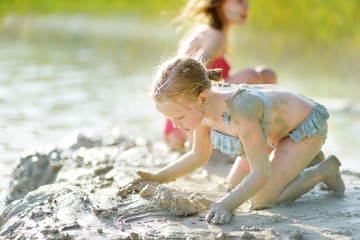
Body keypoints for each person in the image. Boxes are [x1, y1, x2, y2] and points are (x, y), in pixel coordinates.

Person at [137, 56, 345, 224]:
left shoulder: (239, 112)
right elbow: (198, 155)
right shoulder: (201, 109)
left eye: (179, 116)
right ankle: (306, 157)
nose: (175, 124)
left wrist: (225, 205)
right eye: (170, 118)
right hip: (274, 131)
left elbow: (260, 173)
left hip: (304, 126)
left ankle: (324, 169)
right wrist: (159, 177)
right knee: (234, 184)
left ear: (202, 98)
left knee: (262, 198)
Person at [165, 0, 277, 151]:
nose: (246, 7)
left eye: (247, 1)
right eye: (238, 1)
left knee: (257, 76)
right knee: (261, 75)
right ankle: (264, 143)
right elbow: (190, 74)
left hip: (175, 127)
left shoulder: (201, 32)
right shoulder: (216, 37)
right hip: (190, 125)